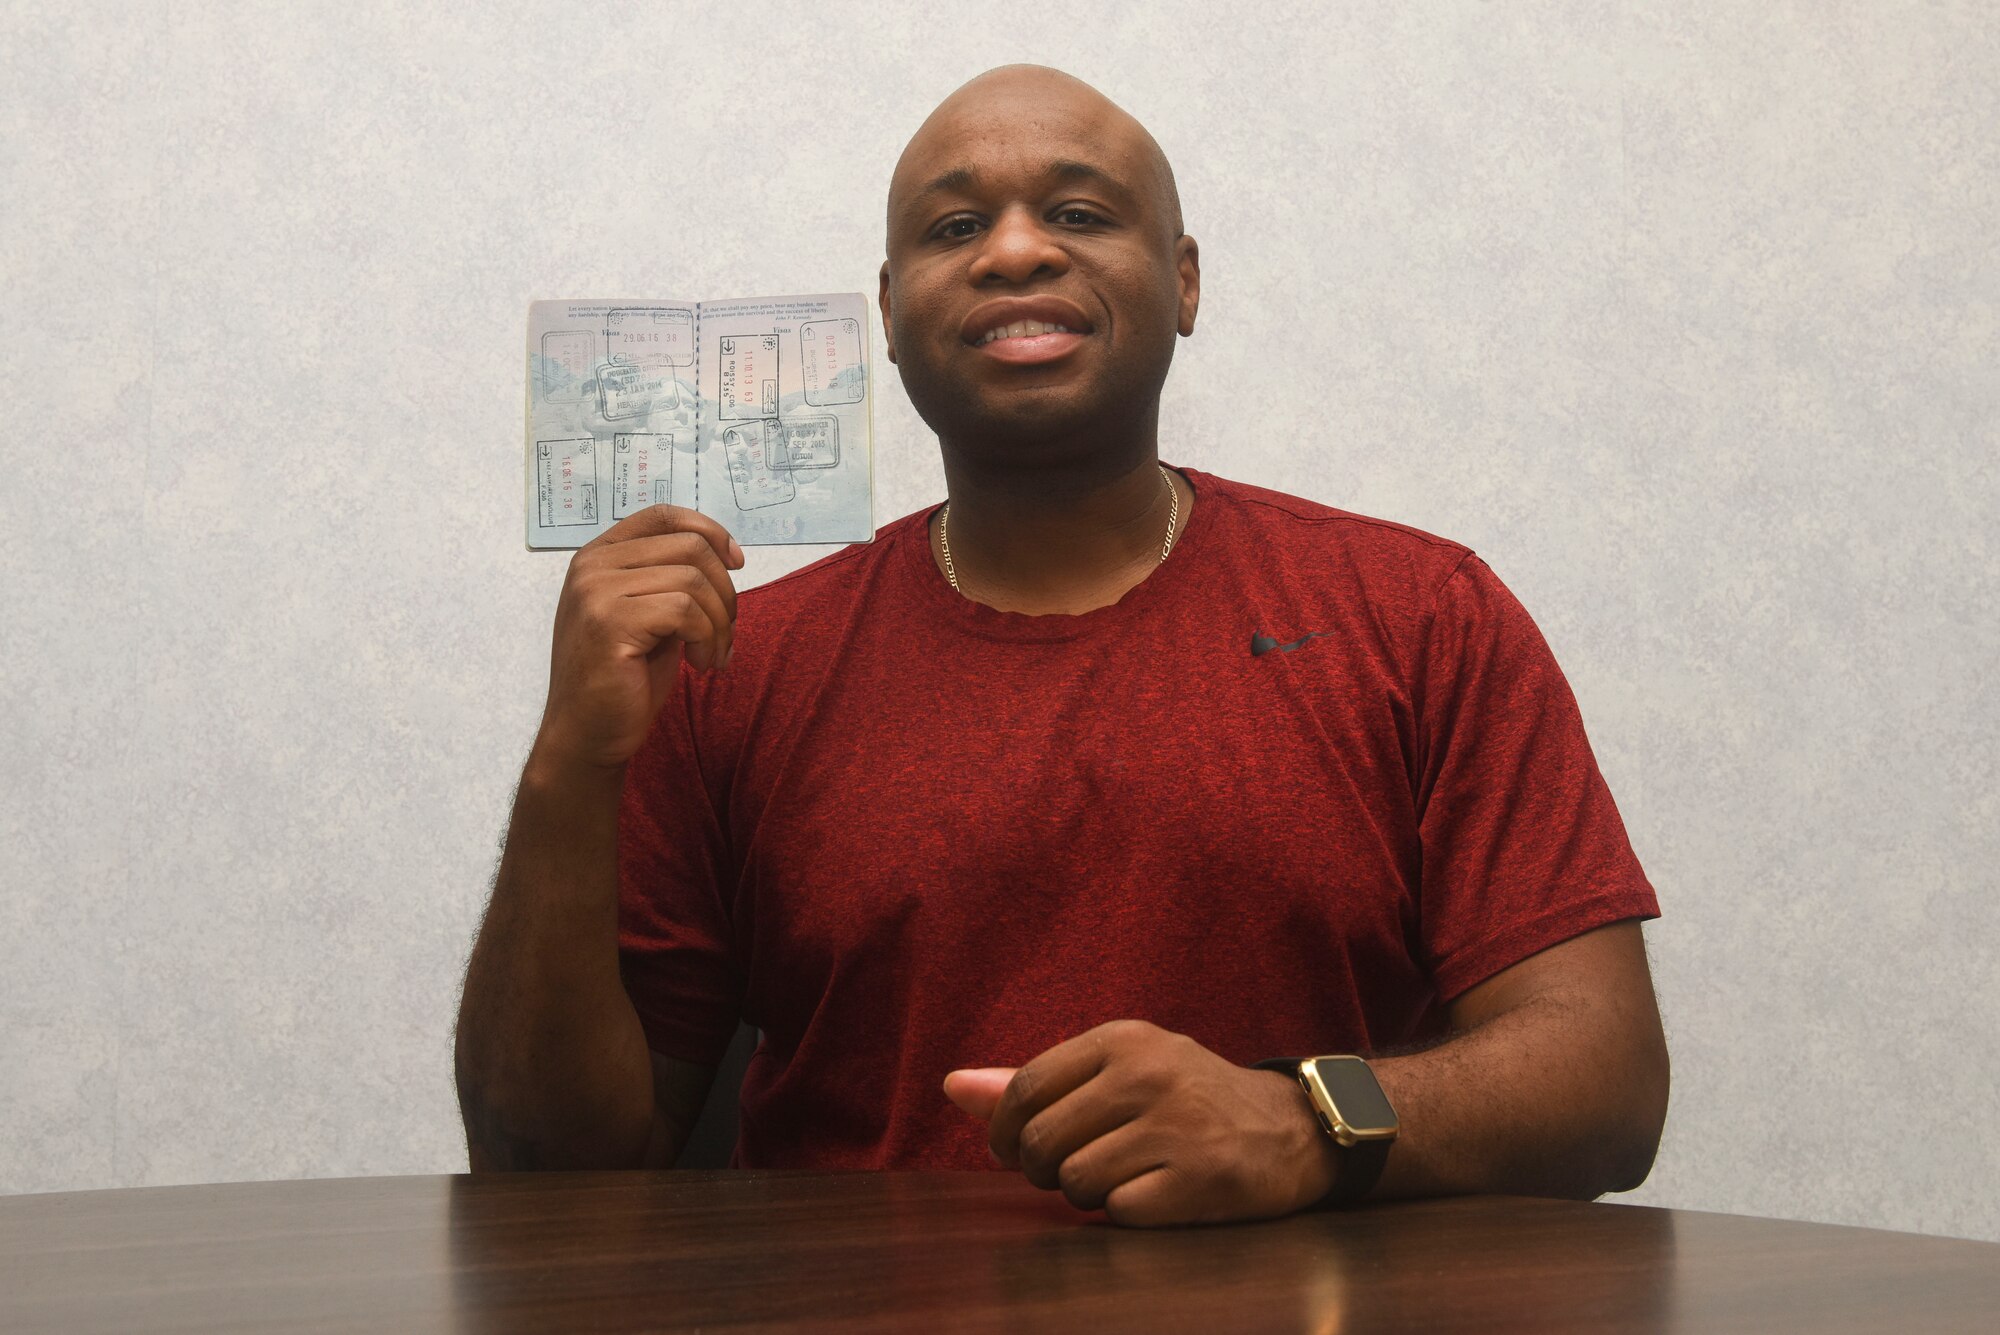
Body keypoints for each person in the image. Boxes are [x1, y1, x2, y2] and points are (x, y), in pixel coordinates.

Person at [454, 63, 1669, 1229]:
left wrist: (1297, 1121)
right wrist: (570, 760)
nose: (1017, 249)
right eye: (951, 229)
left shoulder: (1417, 615)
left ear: (1183, 284)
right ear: (885, 316)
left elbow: (1603, 1087)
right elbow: (550, 1169)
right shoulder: (731, 661)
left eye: (1080, 212)